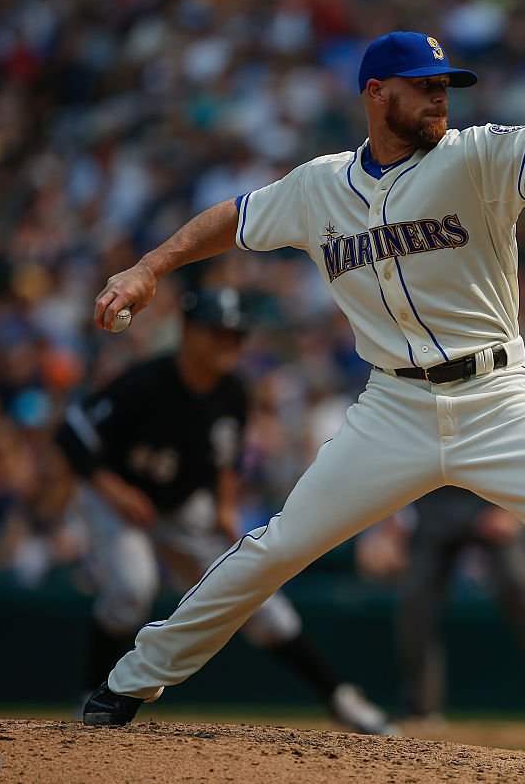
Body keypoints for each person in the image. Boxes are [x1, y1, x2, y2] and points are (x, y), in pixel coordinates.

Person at [84, 32, 525, 763]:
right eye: (426, 85)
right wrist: (149, 265)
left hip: (499, 400)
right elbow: (236, 216)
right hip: (392, 410)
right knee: (276, 547)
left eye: (447, 84)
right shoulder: (319, 185)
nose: (442, 96)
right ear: (378, 94)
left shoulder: (474, 155)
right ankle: (130, 681)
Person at [59, 286, 395, 735]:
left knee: (256, 594)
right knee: (131, 587)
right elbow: (71, 436)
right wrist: (116, 491)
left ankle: (339, 697)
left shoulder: (234, 392)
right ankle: (90, 697)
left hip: (182, 509)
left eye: (235, 336)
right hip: (118, 504)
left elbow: (228, 458)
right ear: (188, 331)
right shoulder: (143, 382)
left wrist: (226, 504)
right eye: (216, 333)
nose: (228, 344)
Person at [360, 487, 525, 722]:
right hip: (433, 502)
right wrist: (391, 523)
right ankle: (418, 706)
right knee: (415, 596)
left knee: (518, 584)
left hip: (492, 496)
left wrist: (514, 511)